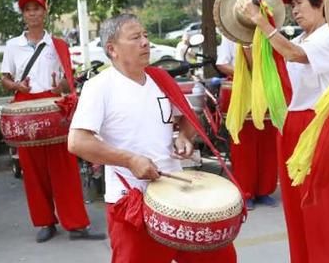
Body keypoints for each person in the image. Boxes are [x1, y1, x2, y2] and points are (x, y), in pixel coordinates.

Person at [68, 13, 237, 263]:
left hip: (178, 194)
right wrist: (130, 160)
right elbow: (77, 142)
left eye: (145, 35)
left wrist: (184, 137)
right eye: (135, 37)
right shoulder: (100, 87)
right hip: (131, 202)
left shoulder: (160, 79)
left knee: (220, 258)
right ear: (112, 49)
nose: (145, 42)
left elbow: (189, 119)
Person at [240, 0, 329, 262]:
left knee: (323, 207)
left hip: (318, 127)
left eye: (299, 3)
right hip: (292, 124)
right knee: (297, 207)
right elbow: (271, 65)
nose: (295, 10)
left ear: (322, 4)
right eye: (292, 6)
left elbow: (292, 55)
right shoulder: (303, 38)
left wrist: (263, 25)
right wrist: (247, 32)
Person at [0, 0, 104, 242]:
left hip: (53, 106)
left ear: (44, 13)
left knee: (64, 168)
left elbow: (69, 81)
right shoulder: (13, 45)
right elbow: (4, 79)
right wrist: (16, 85)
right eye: (28, 10)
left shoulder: (58, 45)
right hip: (26, 107)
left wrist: (61, 88)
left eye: (37, 9)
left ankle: (76, 224)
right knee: (33, 170)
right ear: (23, 15)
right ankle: (45, 222)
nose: (33, 13)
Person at [216, 35, 279, 209]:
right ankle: (246, 192)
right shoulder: (231, 34)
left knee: (267, 142)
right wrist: (246, 74)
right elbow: (222, 63)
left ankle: (264, 190)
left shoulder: (268, 32)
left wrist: (261, 75)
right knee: (244, 145)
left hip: (266, 90)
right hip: (242, 92)